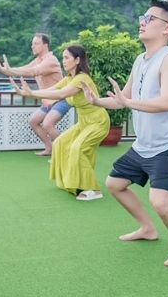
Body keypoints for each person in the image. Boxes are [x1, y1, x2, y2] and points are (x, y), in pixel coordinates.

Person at [86, 0, 168, 268]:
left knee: (160, 201)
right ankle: (148, 229)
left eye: (149, 18)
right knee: (114, 184)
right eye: (142, 17)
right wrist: (98, 101)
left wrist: (127, 101)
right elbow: (126, 97)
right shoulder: (140, 60)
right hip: (143, 146)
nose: (142, 22)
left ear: (166, 27)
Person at [10, 45, 110, 200]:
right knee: (60, 143)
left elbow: (62, 93)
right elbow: (53, 90)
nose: (63, 61)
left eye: (67, 58)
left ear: (77, 60)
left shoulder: (82, 78)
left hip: (98, 122)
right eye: (63, 58)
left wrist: (31, 93)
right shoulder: (69, 79)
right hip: (84, 122)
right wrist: (28, 93)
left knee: (78, 148)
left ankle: (93, 190)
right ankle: (70, 182)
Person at [0, 33, 67, 156]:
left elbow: (32, 72)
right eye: (32, 44)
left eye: (36, 43)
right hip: (48, 101)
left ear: (45, 45)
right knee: (33, 121)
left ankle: (67, 150)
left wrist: (9, 70)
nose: (33, 46)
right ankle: (50, 148)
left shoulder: (50, 60)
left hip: (61, 99)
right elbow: (24, 69)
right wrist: (4, 70)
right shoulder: (37, 60)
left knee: (48, 124)